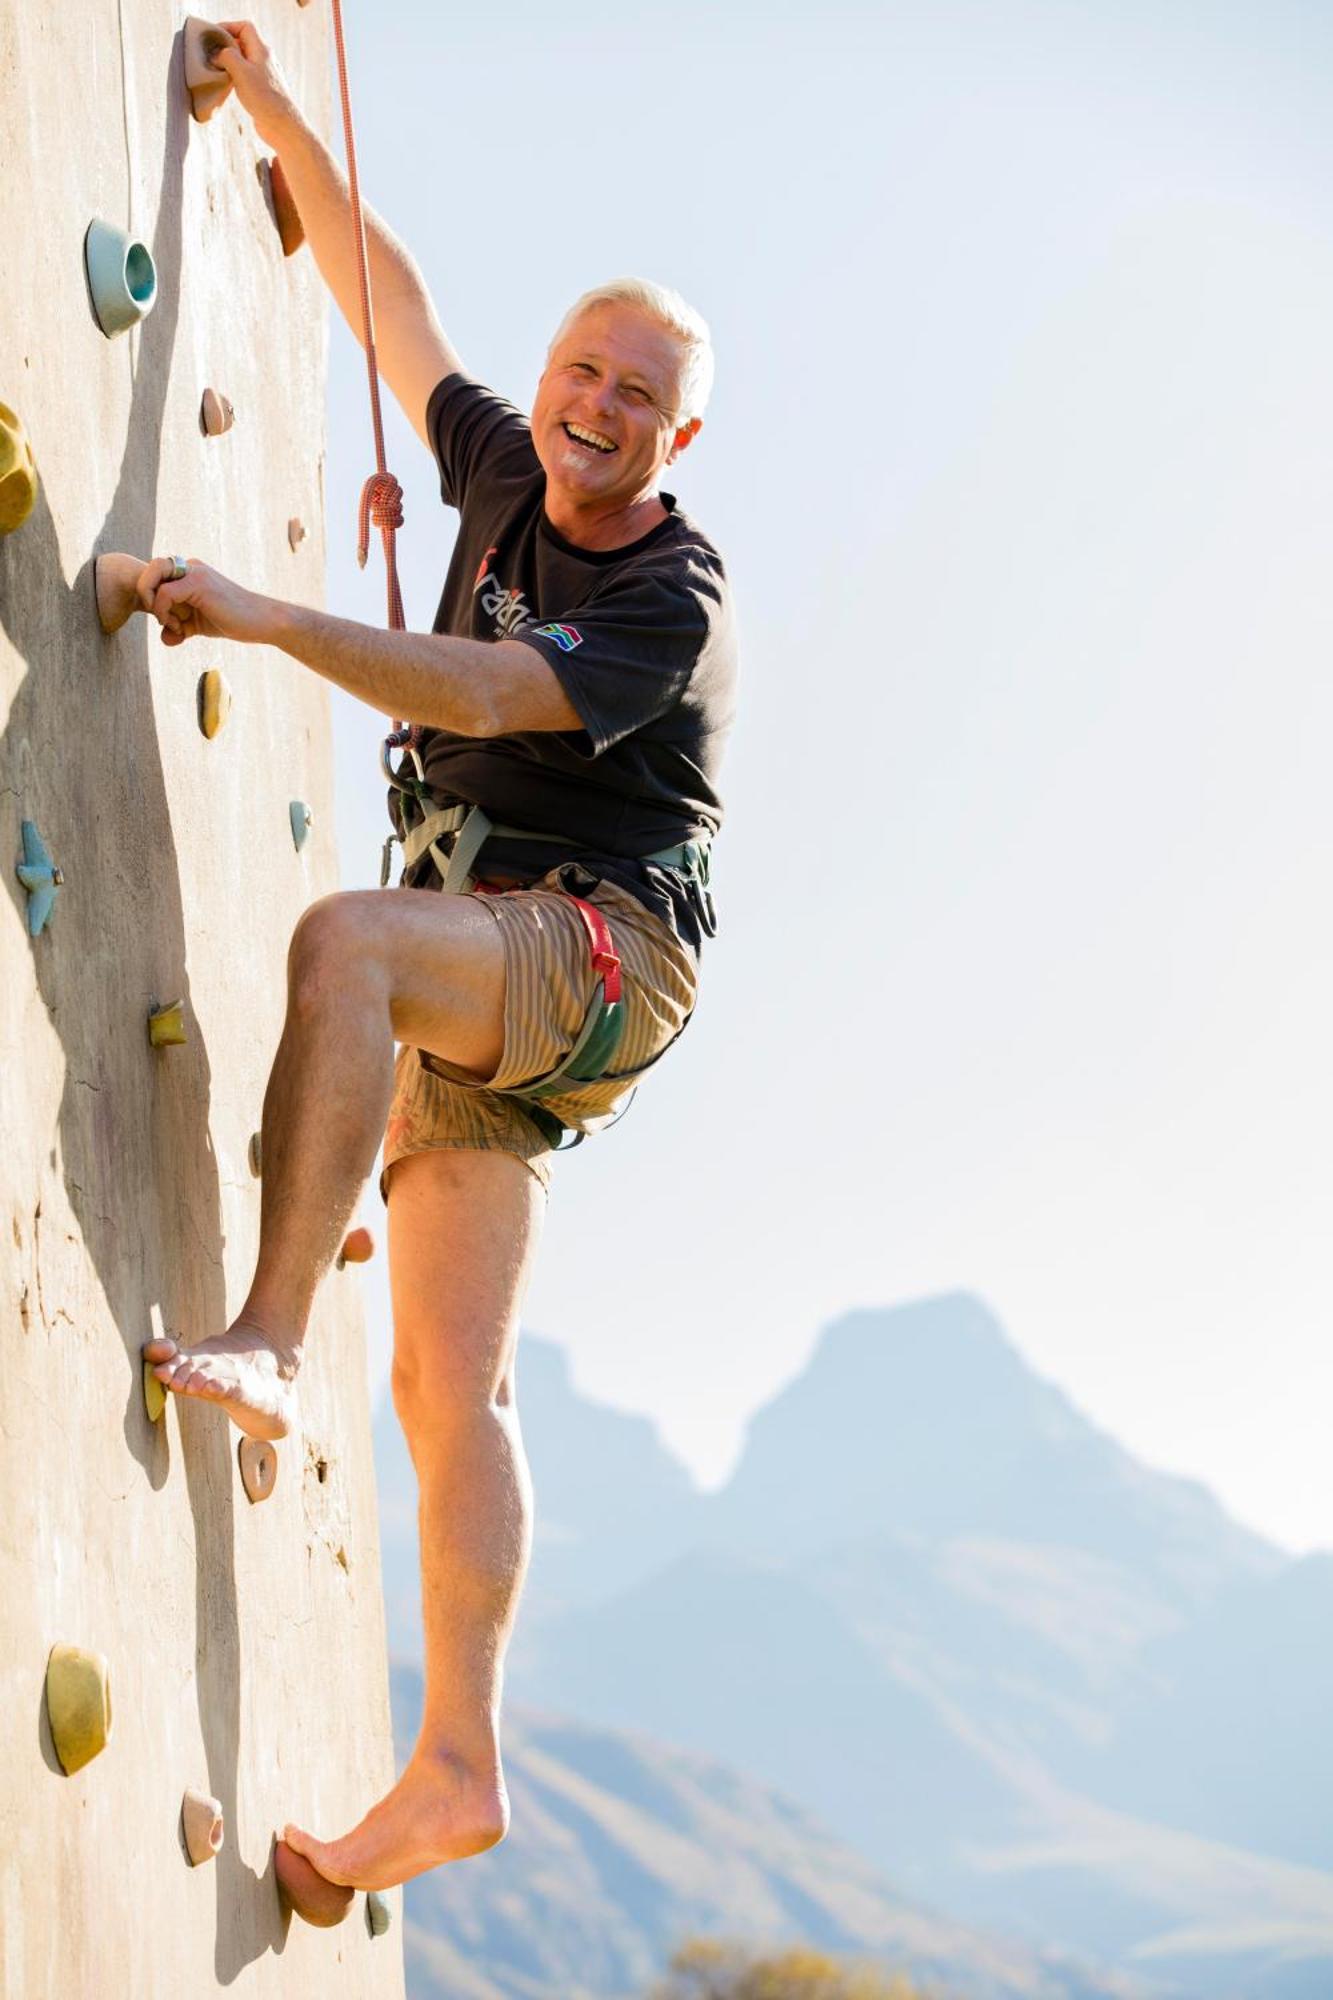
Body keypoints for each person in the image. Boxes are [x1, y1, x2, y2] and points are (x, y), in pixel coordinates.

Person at [140, 19, 737, 1897]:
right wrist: (268, 97)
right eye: (581, 369)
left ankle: (258, 1336)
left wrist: (255, 612)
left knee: (345, 948)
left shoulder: (669, 590)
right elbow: (384, 293)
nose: (593, 405)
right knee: (447, 1384)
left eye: (635, 394)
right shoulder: (493, 459)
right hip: (505, 977)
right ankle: (458, 1765)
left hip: (601, 954)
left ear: (676, 437)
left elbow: (493, 687)